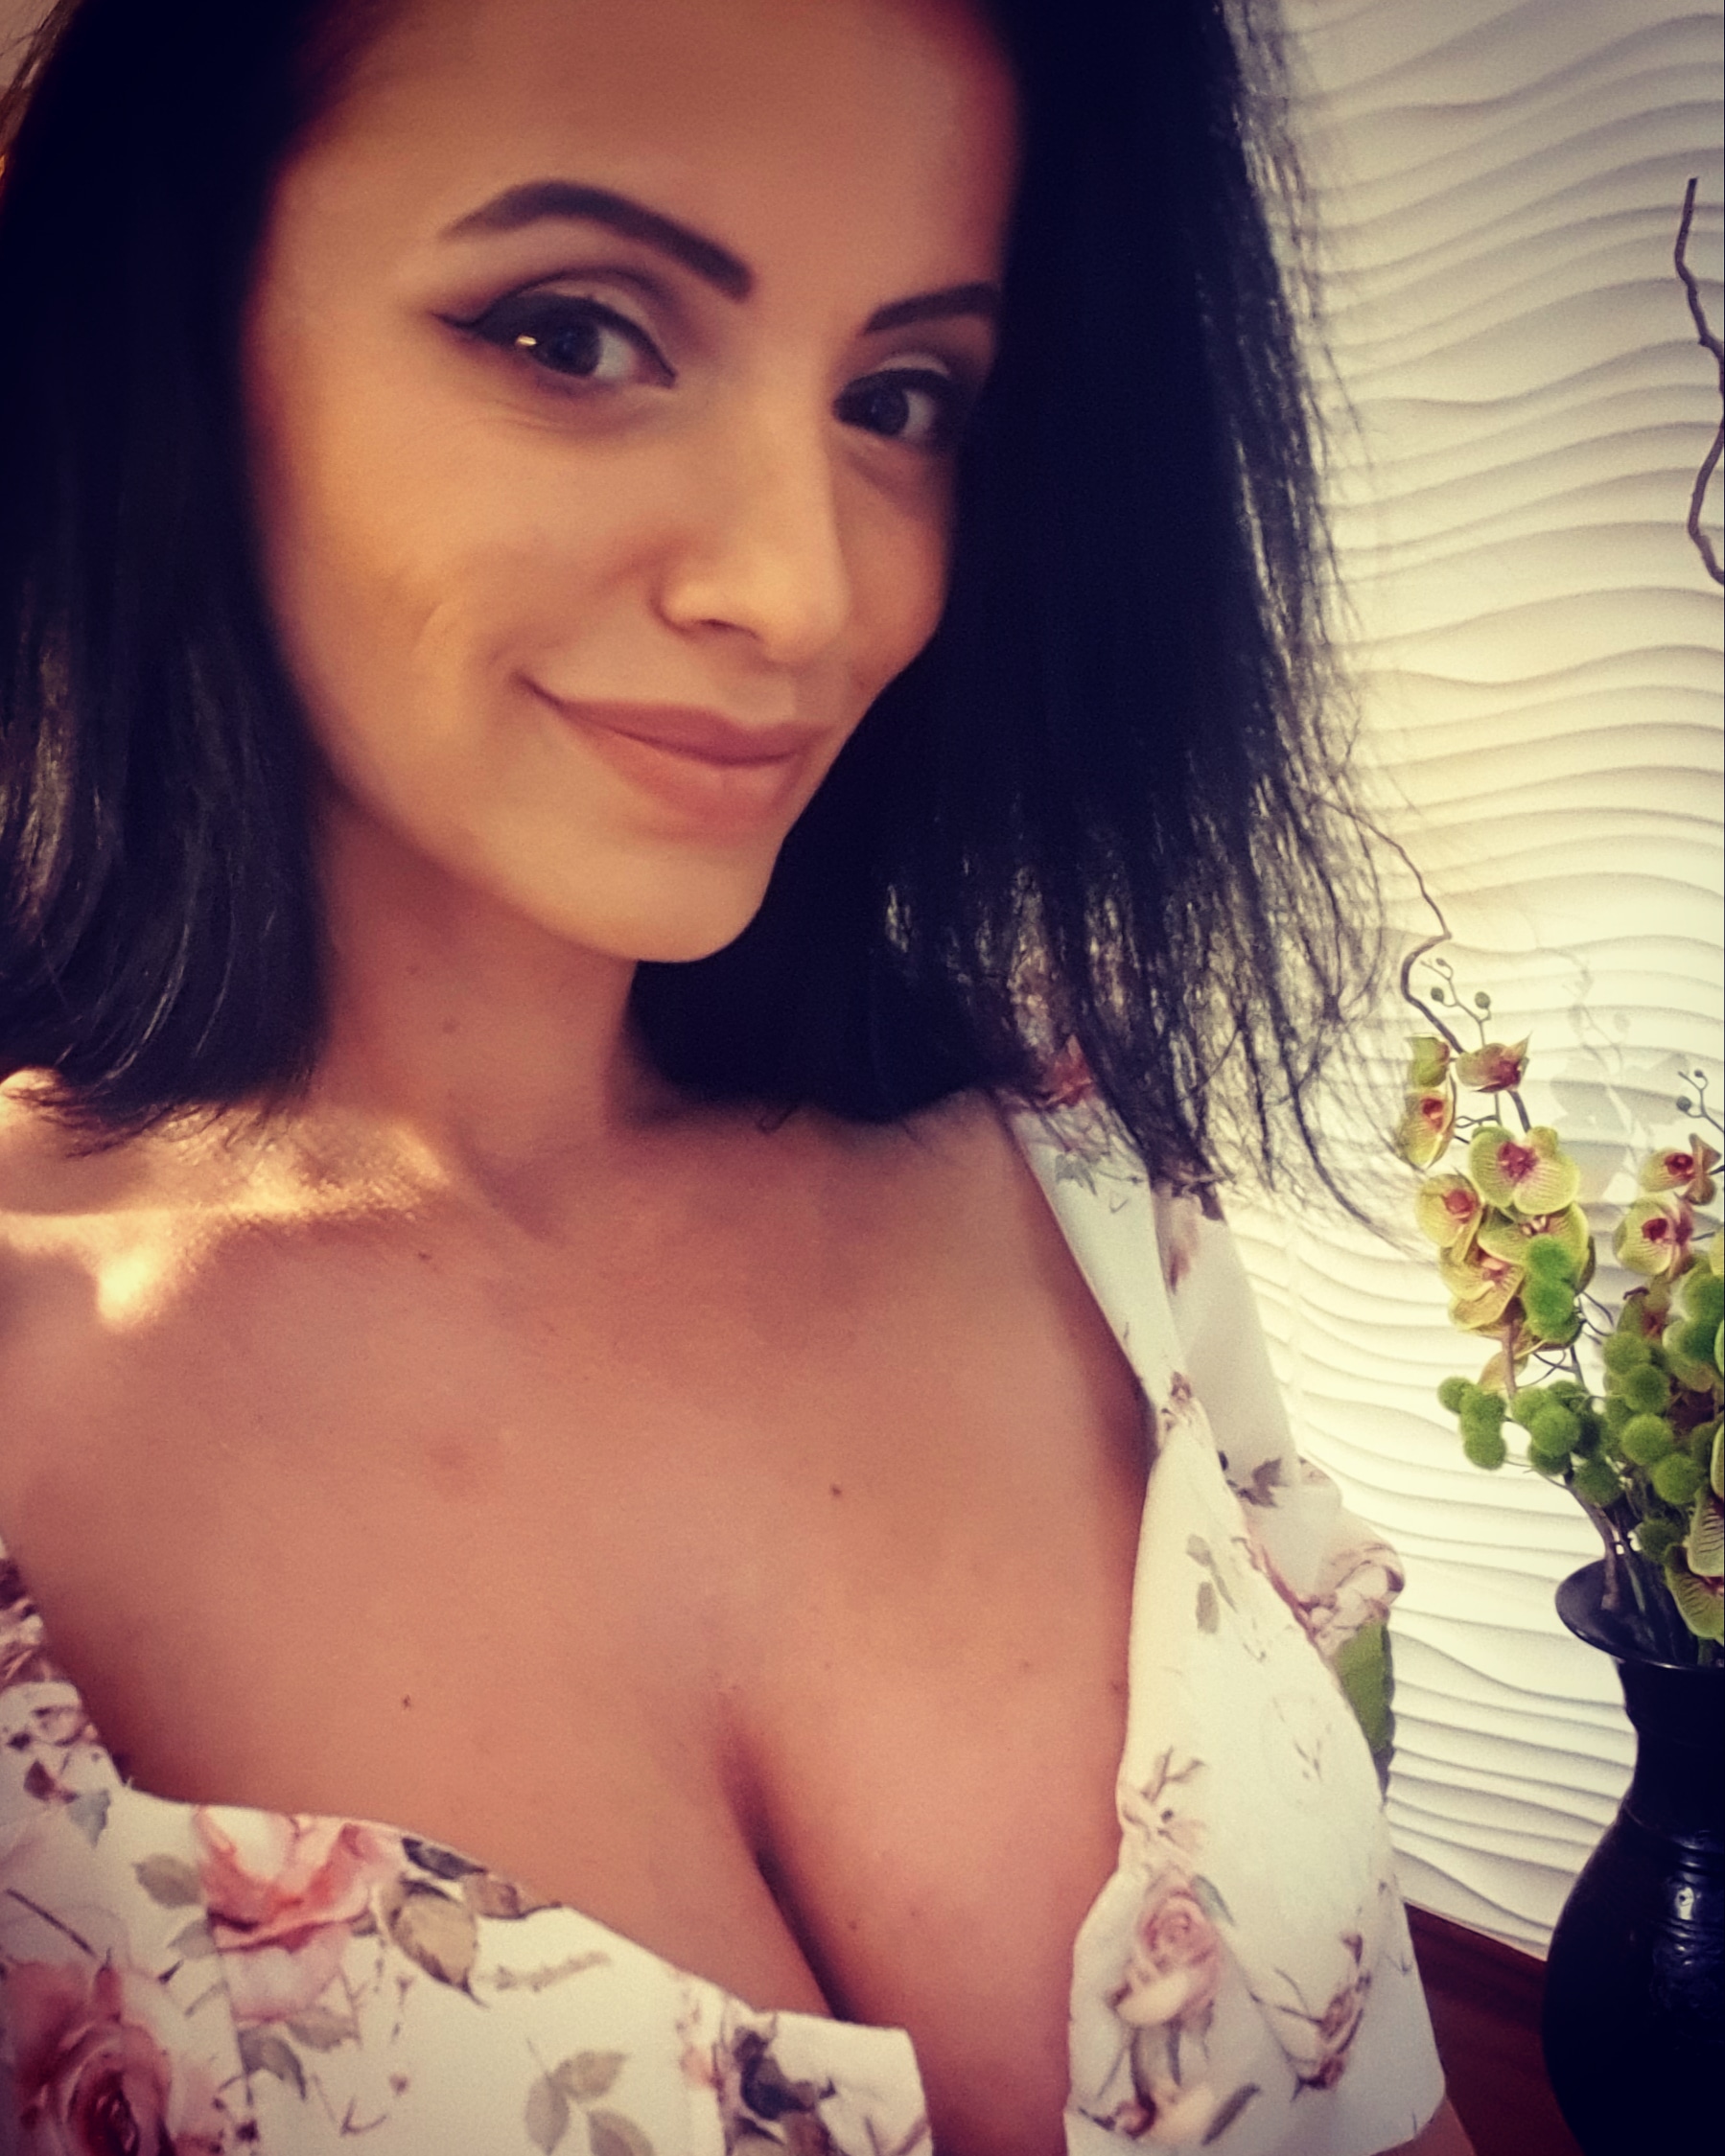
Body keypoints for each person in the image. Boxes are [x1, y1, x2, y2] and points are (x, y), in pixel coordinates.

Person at [0, 0, 1477, 2148]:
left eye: (902, 397)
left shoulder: (1075, 1181)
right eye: (575, 335)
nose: (807, 589)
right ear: (168, 324)